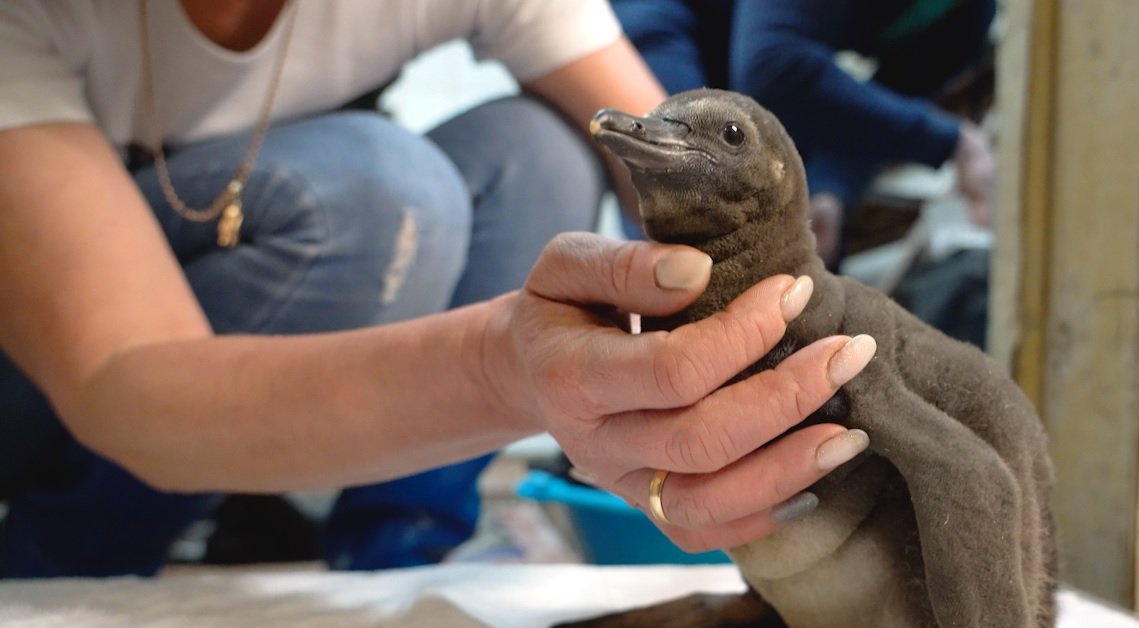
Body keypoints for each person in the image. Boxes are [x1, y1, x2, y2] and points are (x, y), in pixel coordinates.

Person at [0, 0, 874, 578]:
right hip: (65, 378)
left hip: (251, 255)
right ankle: (78, 557)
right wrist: (504, 375)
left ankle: (398, 548)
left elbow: (684, 161)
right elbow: (119, 371)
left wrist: (768, 314)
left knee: (539, 152)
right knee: (379, 194)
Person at [612, 0, 998, 266]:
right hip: (669, 22)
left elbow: (877, 114)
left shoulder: (966, 17)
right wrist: (952, 143)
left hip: (747, 52)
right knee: (688, 211)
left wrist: (831, 187)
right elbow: (772, 65)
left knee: (805, 255)